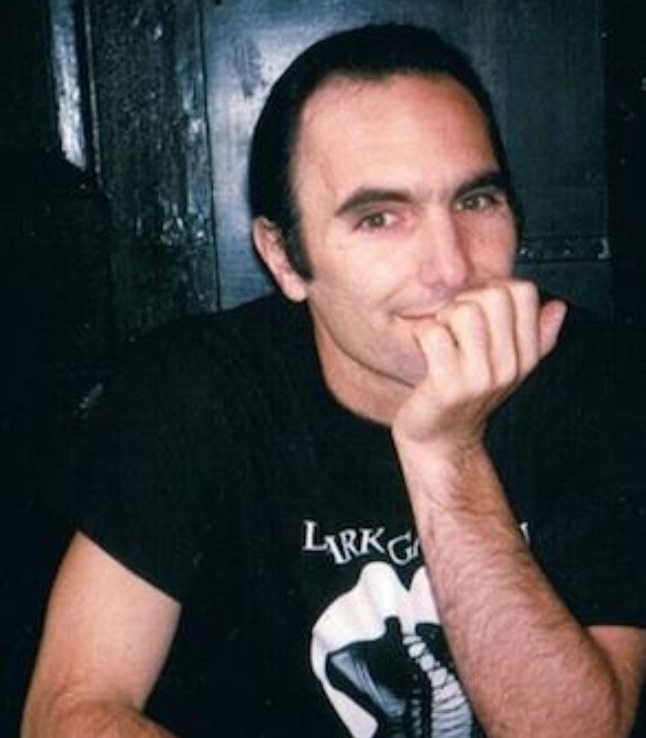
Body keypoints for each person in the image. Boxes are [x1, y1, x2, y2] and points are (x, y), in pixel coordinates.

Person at [22, 23, 646, 738]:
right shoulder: (194, 390)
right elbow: (70, 710)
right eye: (379, 218)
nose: (451, 267)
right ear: (283, 258)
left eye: (476, 201)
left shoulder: (596, 379)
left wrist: (448, 456)